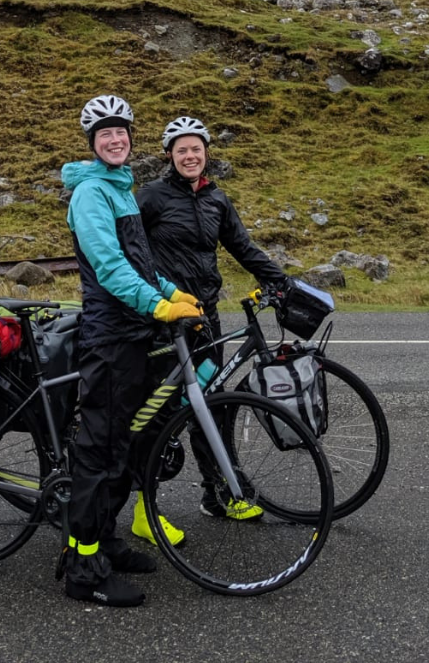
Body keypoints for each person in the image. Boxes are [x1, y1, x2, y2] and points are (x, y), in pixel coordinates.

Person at [60, 95, 203, 608]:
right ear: (93, 145)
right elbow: (110, 268)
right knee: (98, 453)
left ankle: (108, 541)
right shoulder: (90, 194)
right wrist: (157, 306)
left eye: (121, 132)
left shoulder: (121, 189)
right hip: (109, 337)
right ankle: (83, 570)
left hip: (134, 331)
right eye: (105, 135)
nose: (115, 140)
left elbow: (139, 264)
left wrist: (170, 292)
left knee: (124, 446)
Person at [132, 115, 290, 525]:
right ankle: (143, 506)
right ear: (170, 155)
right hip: (166, 320)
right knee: (162, 411)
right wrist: (155, 296)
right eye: (182, 150)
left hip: (207, 317)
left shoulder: (216, 199)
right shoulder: (151, 197)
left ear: (206, 155)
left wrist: (284, 282)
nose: (190, 156)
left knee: (212, 404)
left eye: (196, 149)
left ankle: (217, 493)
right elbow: (128, 251)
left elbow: (243, 247)